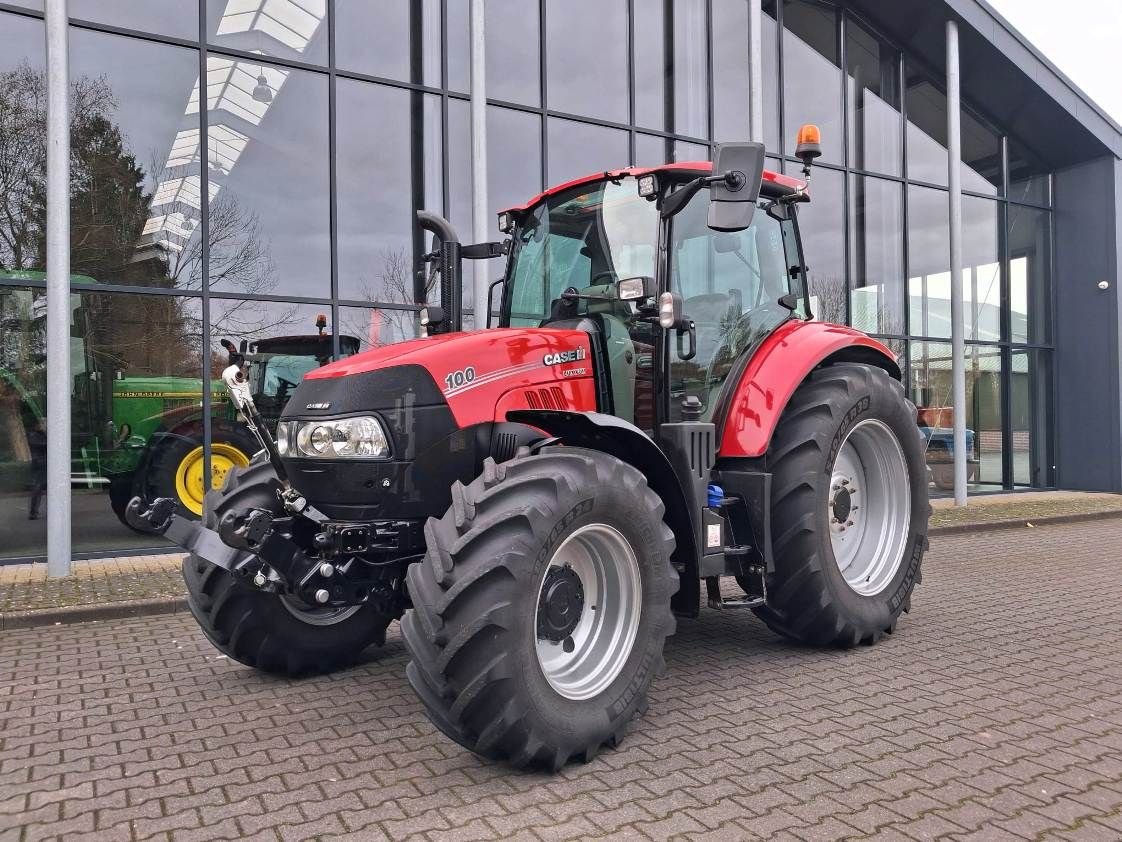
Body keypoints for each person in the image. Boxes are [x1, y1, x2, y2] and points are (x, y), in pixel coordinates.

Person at [27, 418, 46, 520]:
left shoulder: (38, 435)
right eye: (42, 423)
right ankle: (33, 512)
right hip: (39, 463)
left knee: (38, 488)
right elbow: (43, 445)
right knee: (37, 488)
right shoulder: (34, 435)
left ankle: (34, 512)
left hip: (40, 463)